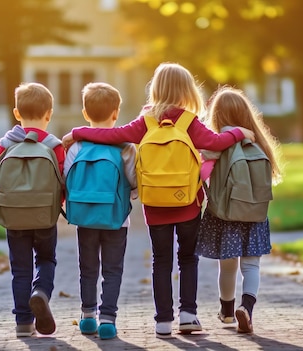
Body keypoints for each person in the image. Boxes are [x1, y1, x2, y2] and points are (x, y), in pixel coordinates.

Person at [62, 62, 255, 337]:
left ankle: (163, 320)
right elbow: (216, 143)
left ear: (156, 88)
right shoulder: (189, 122)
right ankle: (188, 315)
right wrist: (239, 133)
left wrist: (78, 133)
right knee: (188, 259)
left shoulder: (146, 121)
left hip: (155, 204)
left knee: (160, 261)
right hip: (187, 203)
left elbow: (112, 135)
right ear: (188, 90)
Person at [0, 82, 65, 337]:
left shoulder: (4, 144)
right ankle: (41, 293)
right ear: (49, 113)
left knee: (20, 269)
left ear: (17, 113)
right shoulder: (55, 145)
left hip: (14, 216)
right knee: (47, 259)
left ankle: (23, 324)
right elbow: (64, 181)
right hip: (44, 217)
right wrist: (56, 204)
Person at [196, 86, 283, 333]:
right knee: (251, 265)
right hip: (254, 214)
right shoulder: (259, 143)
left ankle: (226, 312)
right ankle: (247, 307)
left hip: (225, 213)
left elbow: (202, 174)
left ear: (217, 115)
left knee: (228, 265)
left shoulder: (217, 143)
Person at [64, 82, 138, 340]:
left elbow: (67, 179)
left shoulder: (75, 147)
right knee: (112, 269)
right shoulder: (126, 147)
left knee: (88, 267)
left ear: (85, 114)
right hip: (117, 219)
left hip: (85, 217)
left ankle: (87, 316)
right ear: (116, 112)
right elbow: (133, 181)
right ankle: (107, 318)